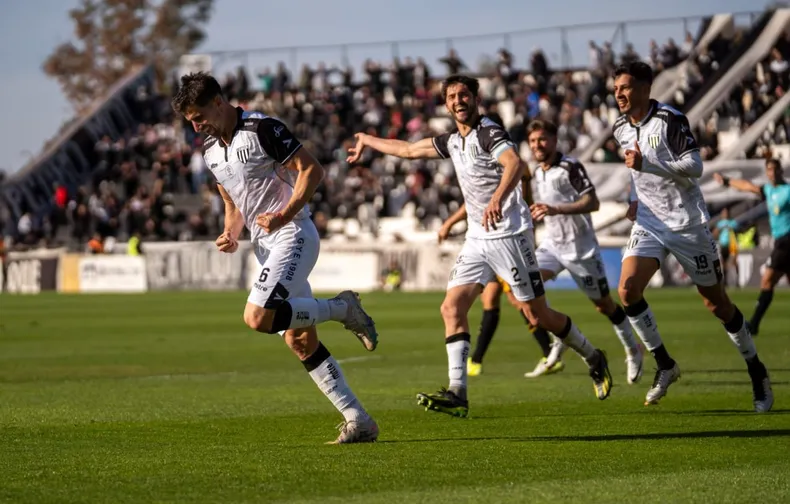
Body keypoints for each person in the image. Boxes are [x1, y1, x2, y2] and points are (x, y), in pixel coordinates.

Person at [348, 74, 613, 418]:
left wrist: (497, 200)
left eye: (464, 95)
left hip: (510, 237)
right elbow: (410, 150)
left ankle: (593, 356)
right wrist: (368, 139)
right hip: (477, 238)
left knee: (537, 314)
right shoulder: (454, 141)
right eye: (452, 96)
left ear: (476, 98)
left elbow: (514, 163)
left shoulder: (489, 132)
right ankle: (458, 392)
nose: (458, 101)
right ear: (446, 104)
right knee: (451, 308)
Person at [171, 72, 381, 444]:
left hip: (293, 233)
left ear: (218, 102)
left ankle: (342, 308)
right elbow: (232, 202)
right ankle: (358, 420)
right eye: (190, 120)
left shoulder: (262, 128)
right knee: (300, 340)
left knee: (257, 316)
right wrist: (231, 232)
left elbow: (312, 170)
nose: (196, 124)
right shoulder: (210, 151)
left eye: (199, 116)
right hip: (265, 246)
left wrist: (284, 214)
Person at [612, 61, 772, 411]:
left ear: (644, 87)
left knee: (717, 304)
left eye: (624, 87)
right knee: (627, 290)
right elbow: (633, 171)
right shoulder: (620, 128)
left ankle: (756, 369)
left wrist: (647, 166)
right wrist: (634, 200)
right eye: (616, 89)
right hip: (650, 222)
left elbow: (695, 167)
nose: (618, 94)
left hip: (687, 223)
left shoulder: (669, 120)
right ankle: (665, 364)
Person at [527, 119, 644, 384]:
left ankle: (633, 350)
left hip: (581, 250)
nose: (537, 145)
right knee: (527, 285)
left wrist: (557, 209)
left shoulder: (569, 167)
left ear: (555, 140)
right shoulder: (538, 172)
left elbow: (592, 202)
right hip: (552, 246)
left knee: (604, 305)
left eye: (542, 139)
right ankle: (561, 334)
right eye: (533, 141)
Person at [437, 181, 562, 379]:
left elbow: (518, 202)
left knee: (523, 303)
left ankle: (553, 345)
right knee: (491, 300)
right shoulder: (501, 165)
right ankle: (477, 360)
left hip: (505, 240)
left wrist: (449, 222)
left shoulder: (506, 167)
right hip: (491, 239)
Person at [714, 158, 790, 335]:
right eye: (769, 170)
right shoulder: (768, 190)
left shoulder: (787, 190)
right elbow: (747, 186)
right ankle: (754, 324)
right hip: (781, 241)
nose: (772, 173)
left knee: (767, 281)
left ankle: (754, 324)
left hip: (786, 241)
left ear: (780, 171)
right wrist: (727, 181)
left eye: (774, 170)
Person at [712, 207, 739, 287]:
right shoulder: (720, 224)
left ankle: (737, 281)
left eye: (726, 212)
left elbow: (736, 232)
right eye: (724, 213)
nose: (725, 214)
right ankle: (725, 281)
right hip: (723, 245)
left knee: (734, 263)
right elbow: (715, 233)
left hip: (732, 246)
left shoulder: (732, 223)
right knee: (723, 263)